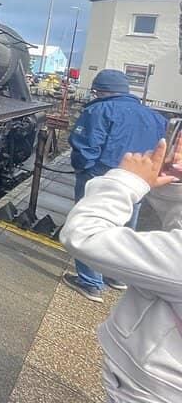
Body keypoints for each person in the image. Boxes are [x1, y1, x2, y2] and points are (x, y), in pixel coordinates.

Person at [60, 131, 182, 403]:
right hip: (157, 379)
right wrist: (176, 183)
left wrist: (126, 180)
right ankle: (113, 277)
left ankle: (91, 281)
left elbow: (84, 235)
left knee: (108, 225)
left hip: (148, 388)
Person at [64, 69, 167, 301]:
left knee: (92, 225)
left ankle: (90, 282)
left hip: (102, 174)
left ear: (100, 90)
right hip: (137, 180)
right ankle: (117, 276)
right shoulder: (155, 117)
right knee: (125, 227)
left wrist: (83, 168)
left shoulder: (98, 110)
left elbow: (86, 145)